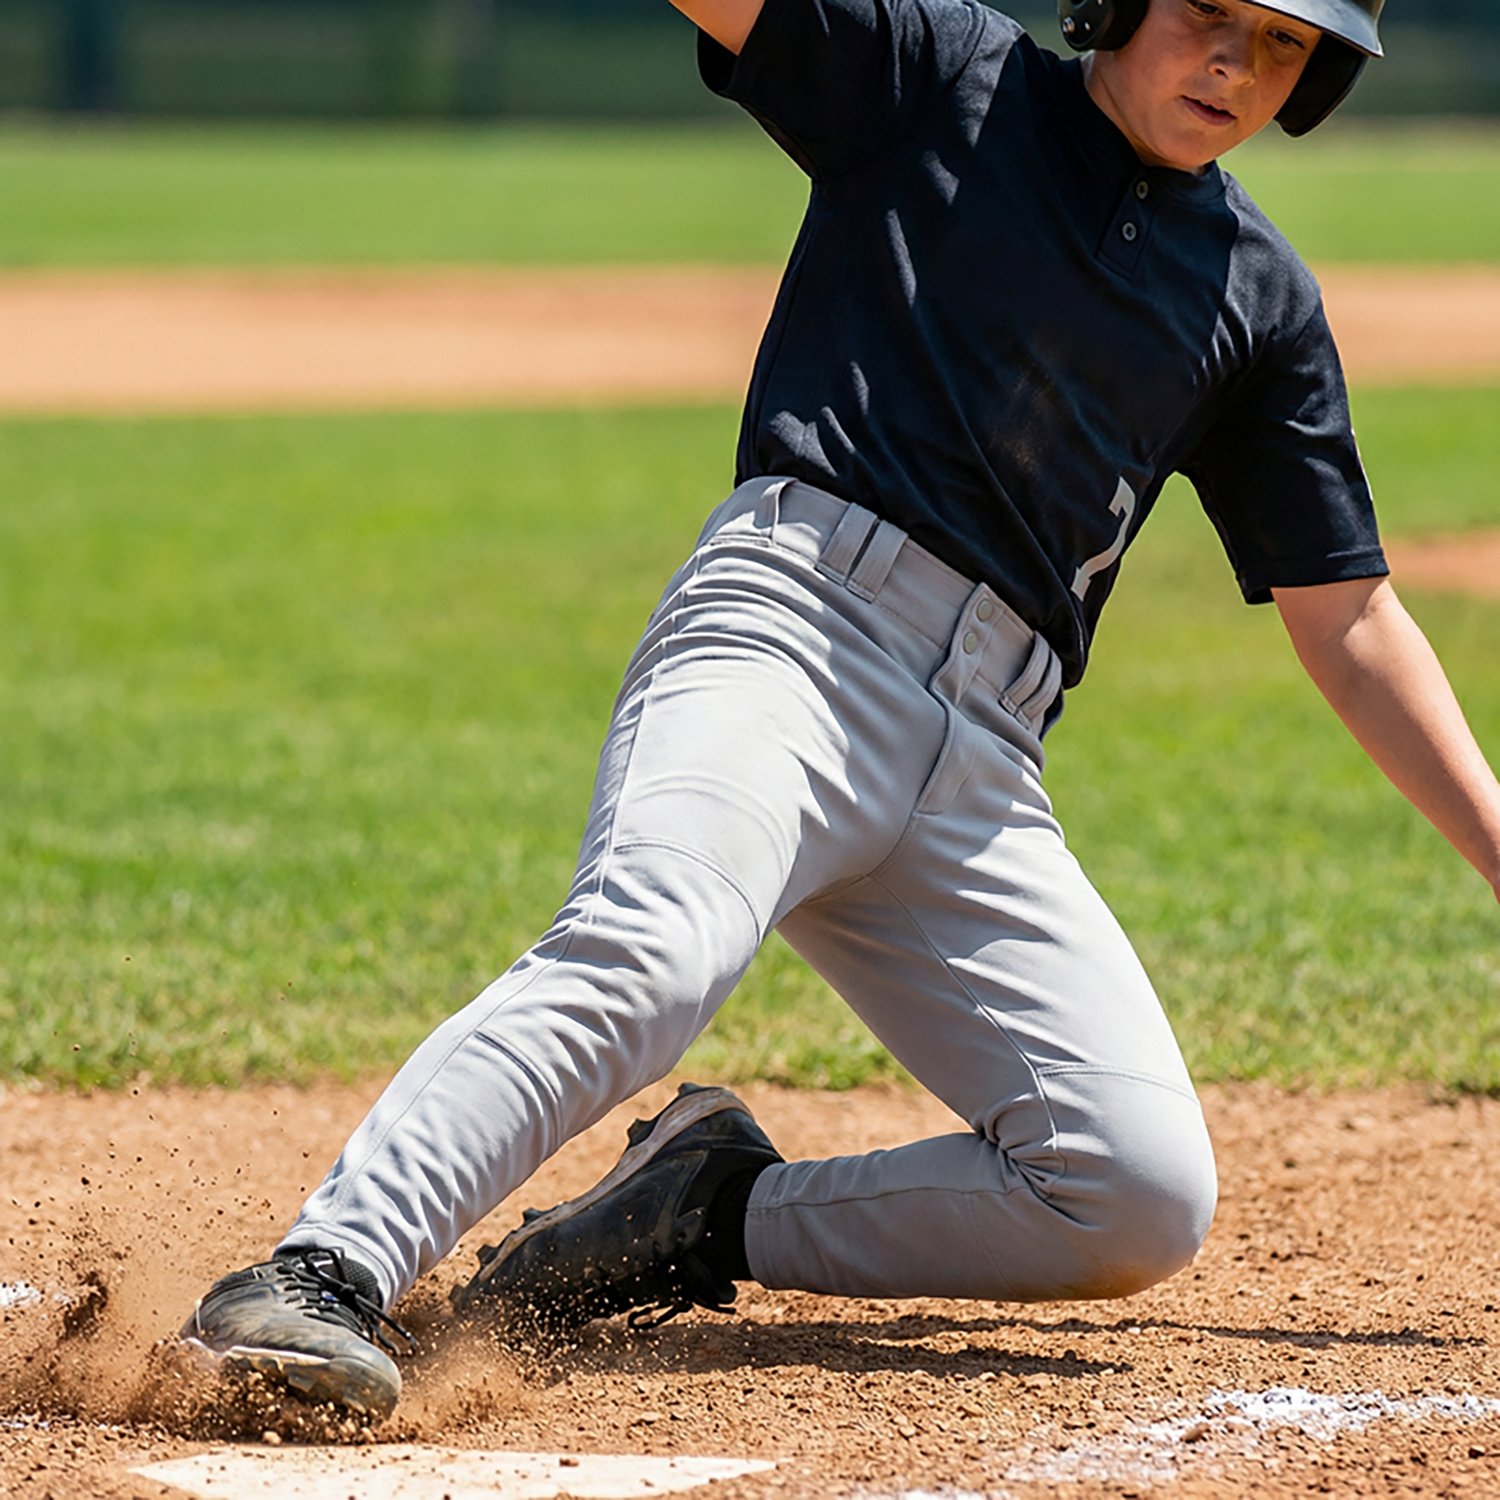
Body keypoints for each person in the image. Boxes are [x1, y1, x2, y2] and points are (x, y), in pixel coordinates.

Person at [177, 0, 1500, 1421]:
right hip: (792, 636)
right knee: (658, 948)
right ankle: (316, 1274)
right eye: (1211, 13)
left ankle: (702, 1213)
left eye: (1286, 44)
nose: (1240, 62)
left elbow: (1349, 618)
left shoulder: (1256, 293)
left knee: (1133, 1193)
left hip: (985, 756)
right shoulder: (943, 74)